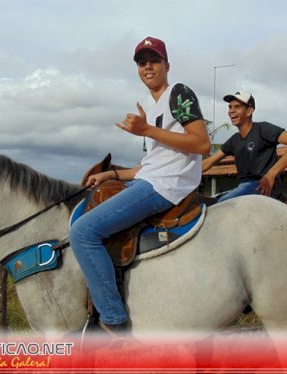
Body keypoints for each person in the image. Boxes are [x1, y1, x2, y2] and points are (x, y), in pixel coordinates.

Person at [69, 37, 211, 333]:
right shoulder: (149, 104)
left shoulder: (178, 93)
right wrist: (114, 175)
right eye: (141, 62)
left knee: (83, 232)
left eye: (154, 60)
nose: (148, 66)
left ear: (166, 65)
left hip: (167, 187)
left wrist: (147, 129)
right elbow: (151, 165)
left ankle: (112, 320)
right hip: (151, 180)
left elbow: (202, 144)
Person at [202, 90, 287, 202]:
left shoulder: (263, 129)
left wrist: (271, 175)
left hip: (262, 186)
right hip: (244, 186)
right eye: (230, 107)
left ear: (249, 111)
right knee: (209, 202)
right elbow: (209, 162)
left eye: (237, 107)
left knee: (221, 205)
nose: (231, 111)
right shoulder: (234, 140)